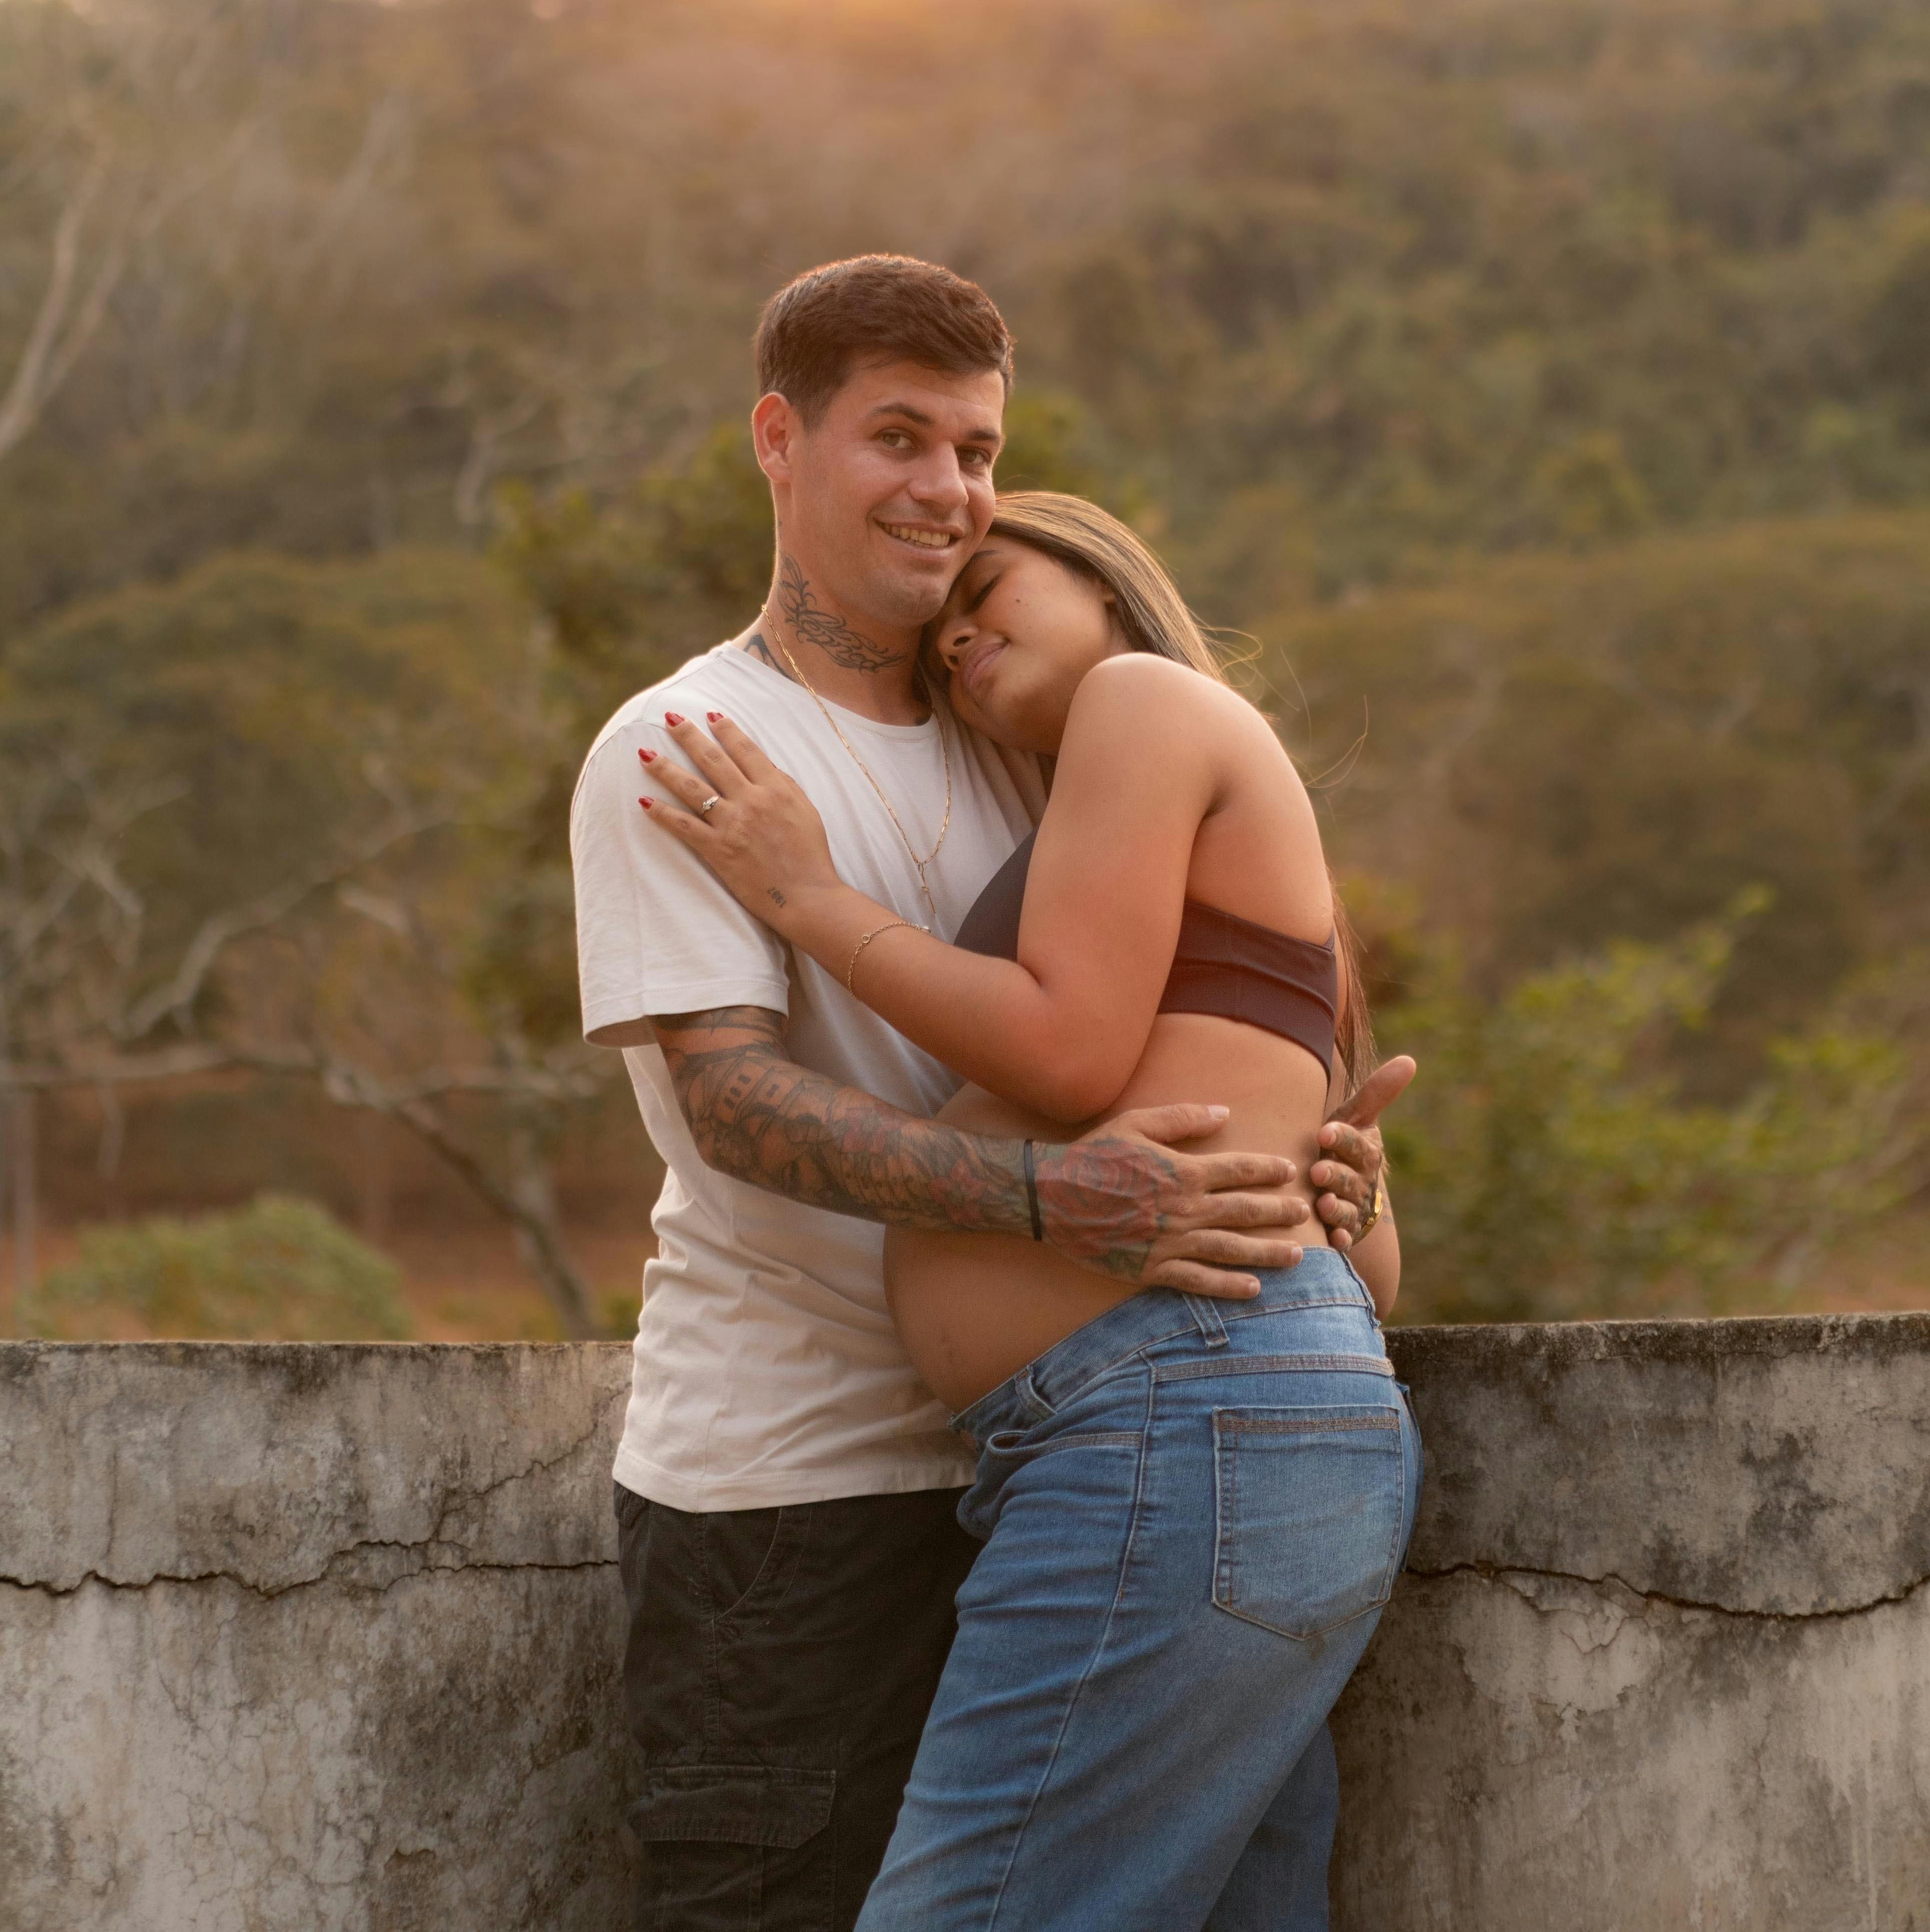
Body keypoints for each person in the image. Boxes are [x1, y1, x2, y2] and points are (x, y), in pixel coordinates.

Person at [570, 255, 1397, 1932]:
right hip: (798, 1489)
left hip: (1069, 1449)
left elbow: (1173, 1060)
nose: (947, 495)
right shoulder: (695, 744)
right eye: (899, 439)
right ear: (778, 441)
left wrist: (1321, 1191)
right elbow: (735, 1106)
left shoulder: (1051, 741)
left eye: (979, 453)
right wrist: (1048, 1199)